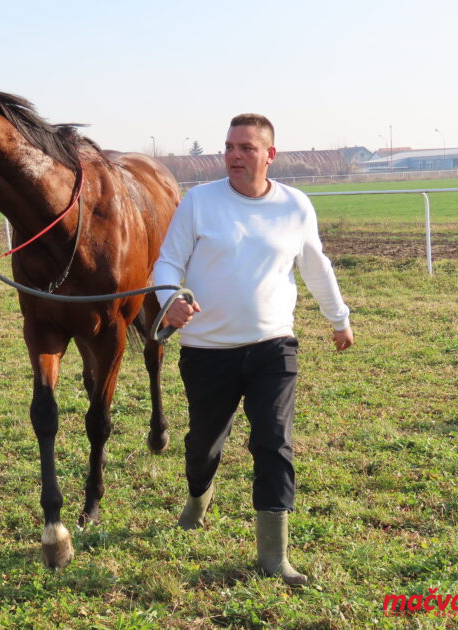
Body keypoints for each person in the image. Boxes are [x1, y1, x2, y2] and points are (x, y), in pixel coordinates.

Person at [153, 114, 354, 586]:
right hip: (207, 349)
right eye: (229, 147)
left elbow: (315, 266)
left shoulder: (295, 206)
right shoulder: (200, 202)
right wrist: (170, 301)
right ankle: (199, 495)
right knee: (204, 442)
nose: (234, 156)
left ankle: (273, 554)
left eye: (245, 147)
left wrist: (339, 320)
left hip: (273, 346)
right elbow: (167, 262)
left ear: (270, 154)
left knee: (273, 442)